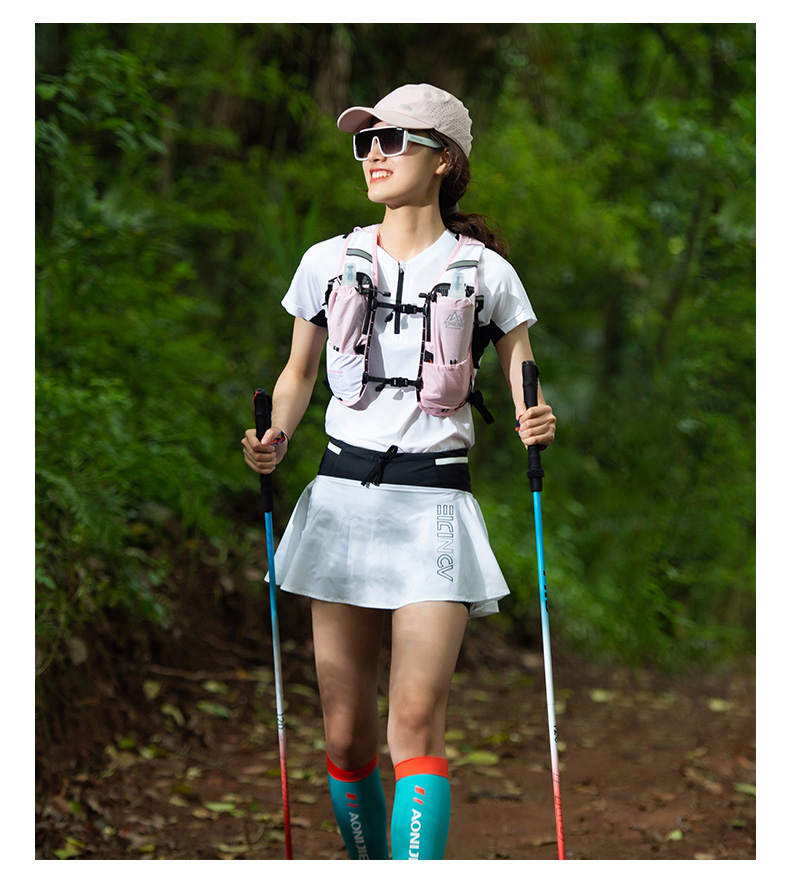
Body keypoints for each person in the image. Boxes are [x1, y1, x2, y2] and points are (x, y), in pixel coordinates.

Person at [242, 83, 556, 860]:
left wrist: (536, 417)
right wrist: (275, 434)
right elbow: (298, 374)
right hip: (341, 503)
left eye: (392, 140)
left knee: (412, 724)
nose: (373, 155)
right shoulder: (327, 261)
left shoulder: (487, 273)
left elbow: (524, 374)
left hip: (435, 507)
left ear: (443, 159)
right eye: (365, 142)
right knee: (346, 737)